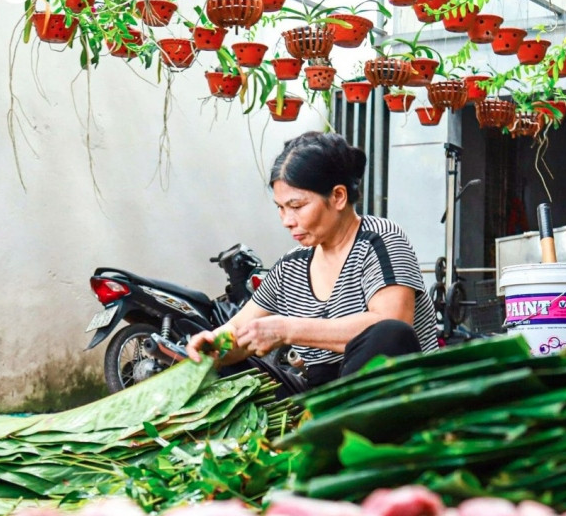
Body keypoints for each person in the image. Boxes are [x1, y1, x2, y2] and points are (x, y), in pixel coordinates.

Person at [186, 131, 438, 391]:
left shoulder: (380, 240)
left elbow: (393, 323)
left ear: (338, 196)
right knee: (226, 368)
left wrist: (287, 329)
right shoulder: (291, 266)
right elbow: (238, 332)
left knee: (389, 333)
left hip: (388, 389)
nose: (287, 220)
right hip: (318, 395)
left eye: (296, 206)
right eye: (280, 208)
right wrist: (212, 346)